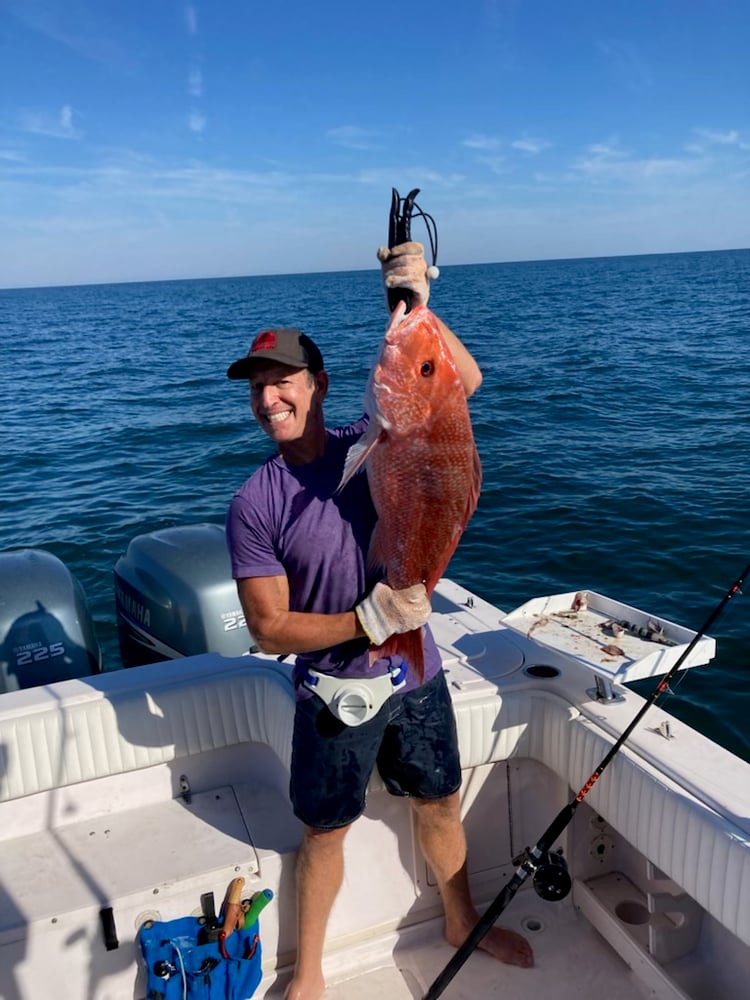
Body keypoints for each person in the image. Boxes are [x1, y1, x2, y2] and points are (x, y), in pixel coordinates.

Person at [225, 242, 533, 999]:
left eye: (284, 383)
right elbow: (268, 630)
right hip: (332, 690)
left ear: (319, 385)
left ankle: (459, 918)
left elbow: (458, 382)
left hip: (413, 670)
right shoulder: (253, 503)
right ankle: (312, 973)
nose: (270, 400)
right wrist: (367, 621)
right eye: (258, 389)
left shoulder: (374, 441)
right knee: (326, 831)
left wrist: (416, 302)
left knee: (438, 799)